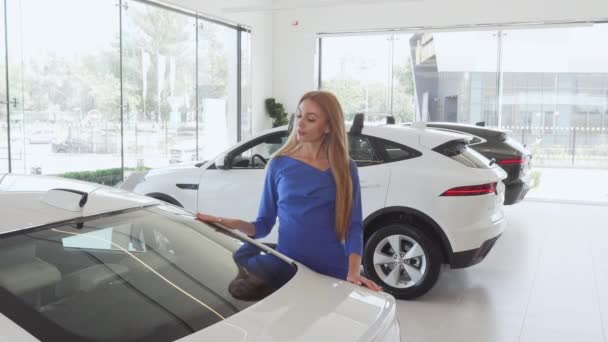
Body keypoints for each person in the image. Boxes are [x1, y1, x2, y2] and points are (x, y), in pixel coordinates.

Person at [197, 90, 381, 297]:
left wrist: (354, 272)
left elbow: (353, 226)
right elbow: (263, 225)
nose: (300, 124)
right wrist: (229, 223)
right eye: (299, 115)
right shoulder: (278, 164)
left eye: (311, 119)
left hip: (332, 270)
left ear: (329, 126)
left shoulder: (345, 168)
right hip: (289, 269)